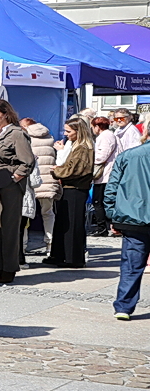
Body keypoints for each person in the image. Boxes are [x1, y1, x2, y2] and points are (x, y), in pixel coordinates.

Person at [0, 99, 36, 283]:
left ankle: (9, 268)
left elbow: (27, 161)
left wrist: (15, 178)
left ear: (6, 114)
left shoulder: (17, 133)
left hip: (9, 185)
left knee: (9, 226)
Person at [105, 132, 150, 320]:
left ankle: (124, 307)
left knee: (131, 265)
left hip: (133, 218)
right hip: (134, 219)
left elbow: (112, 188)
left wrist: (113, 217)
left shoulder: (128, 156)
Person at [43, 115, 94, 269]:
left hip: (76, 189)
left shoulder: (83, 148)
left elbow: (75, 169)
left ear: (79, 131)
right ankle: (59, 255)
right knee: (63, 223)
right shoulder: (76, 145)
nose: (66, 134)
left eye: (69, 131)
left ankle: (73, 258)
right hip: (69, 188)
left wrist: (57, 171)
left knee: (72, 224)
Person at [24, 118, 59, 259]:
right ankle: (50, 244)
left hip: (31, 180)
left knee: (25, 214)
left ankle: (23, 245)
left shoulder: (25, 137)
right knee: (48, 213)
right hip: (48, 179)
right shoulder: (49, 137)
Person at [92, 116, 118, 236]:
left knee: (98, 202)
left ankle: (102, 228)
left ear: (97, 126)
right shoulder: (109, 135)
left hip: (105, 174)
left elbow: (102, 156)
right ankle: (104, 227)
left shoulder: (105, 136)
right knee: (101, 201)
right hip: (106, 173)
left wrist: (90, 159)